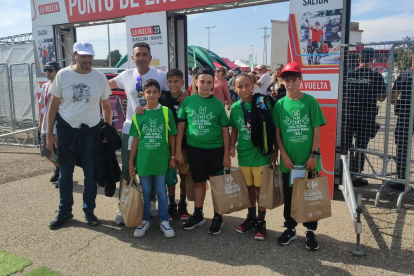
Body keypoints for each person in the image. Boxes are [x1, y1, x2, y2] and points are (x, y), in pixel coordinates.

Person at [109, 42, 188, 224]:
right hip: (131, 130)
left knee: (152, 168)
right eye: (138, 55)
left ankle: (151, 202)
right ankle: (124, 204)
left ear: (150, 58)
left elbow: (176, 88)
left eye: (145, 54)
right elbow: (106, 85)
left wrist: (185, 92)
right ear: (133, 57)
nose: (141, 58)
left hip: (155, 131)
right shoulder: (126, 75)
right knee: (127, 169)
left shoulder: (160, 75)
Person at [46, 41, 112, 229]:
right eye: (83, 56)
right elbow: (53, 107)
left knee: (91, 175)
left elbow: (106, 107)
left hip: (91, 132)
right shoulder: (63, 75)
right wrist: (49, 134)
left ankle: (89, 211)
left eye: (90, 56)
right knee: (65, 176)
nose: (87, 60)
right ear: (74, 55)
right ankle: (65, 211)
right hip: (67, 131)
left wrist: (106, 129)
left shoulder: (99, 78)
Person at [272, 62, 326, 250]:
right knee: (290, 196)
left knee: (310, 196)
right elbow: (277, 133)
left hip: (309, 160)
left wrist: (313, 154)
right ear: (282, 81)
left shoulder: (310, 101)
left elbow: (316, 129)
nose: (290, 83)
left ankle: (310, 231)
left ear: (301, 79)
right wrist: (283, 156)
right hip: (290, 161)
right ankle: (290, 228)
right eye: (286, 79)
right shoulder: (279, 104)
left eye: (294, 79)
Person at [176, 67, 231, 235]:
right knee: (199, 183)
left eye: (209, 82)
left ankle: (217, 217)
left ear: (213, 84)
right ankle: (198, 214)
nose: (205, 85)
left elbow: (224, 130)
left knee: (216, 185)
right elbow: (181, 128)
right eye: (202, 82)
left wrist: (227, 154)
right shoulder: (188, 102)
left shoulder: (217, 104)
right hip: (194, 151)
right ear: (196, 83)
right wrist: (177, 150)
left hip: (215, 150)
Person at [136, 69, 190, 220]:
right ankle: (172, 204)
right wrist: (139, 108)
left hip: (186, 144)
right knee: (170, 175)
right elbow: (148, 105)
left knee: (184, 176)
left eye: (176, 81)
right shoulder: (163, 98)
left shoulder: (188, 98)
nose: (173, 84)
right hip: (167, 146)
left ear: (182, 83)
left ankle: (183, 204)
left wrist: (187, 93)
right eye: (170, 82)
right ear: (166, 83)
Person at [229, 73, 276, 240]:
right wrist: (231, 145)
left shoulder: (263, 104)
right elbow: (234, 129)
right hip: (244, 155)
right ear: (234, 89)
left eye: (247, 85)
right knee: (249, 189)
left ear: (253, 85)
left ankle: (261, 222)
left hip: (261, 154)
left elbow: (273, 127)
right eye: (239, 86)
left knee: (260, 189)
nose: (244, 89)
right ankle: (251, 217)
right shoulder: (235, 108)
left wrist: (275, 150)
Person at [129, 79, 177, 238]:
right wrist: (131, 162)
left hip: (161, 160)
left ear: (160, 94)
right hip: (144, 161)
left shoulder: (166, 112)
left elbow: (172, 136)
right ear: (144, 94)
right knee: (146, 192)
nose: (152, 94)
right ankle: (145, 220)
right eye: (148, 92)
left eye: (155, 92)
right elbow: (135, 140)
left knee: (162, 192)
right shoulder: (138, 115)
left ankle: (164, 221)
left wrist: (173, 156)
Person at [343, 48, 386, 187]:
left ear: (358, 59)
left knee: (345, 145)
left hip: (348, 116)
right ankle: (355, 174)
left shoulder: (349, 75)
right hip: (366, 116)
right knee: (361, 145)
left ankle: (342, 172)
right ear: (372, 60)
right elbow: (381, 98)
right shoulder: (376, 76)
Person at [387, 54, 414, 191]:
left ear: (410, 56)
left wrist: (402, 104)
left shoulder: (405, 75)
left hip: (406, 116)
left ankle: (401, 179)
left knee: (402, 148)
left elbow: (392, 98)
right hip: (405, 115)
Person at [38, 61, 60, 188]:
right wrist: (40, 122)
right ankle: (59, 169)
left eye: (50, 70)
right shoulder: (45, 86)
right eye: (45, 70)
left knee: (57, 152)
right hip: (46, 125)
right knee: (46, 153)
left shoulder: (61, 86)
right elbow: (43, 106)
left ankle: (63, 175)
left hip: (58, 125)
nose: (47, 73)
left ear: (57, 71)